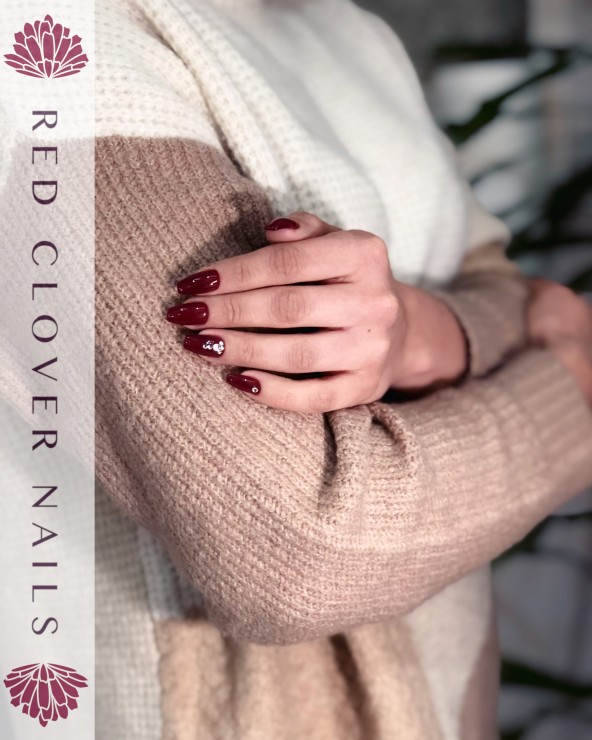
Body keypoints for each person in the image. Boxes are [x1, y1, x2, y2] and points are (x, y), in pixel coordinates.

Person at [94, 0, 592, 737]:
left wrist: (418, 332)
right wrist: (571, 393)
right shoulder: (60, 55)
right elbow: (294, 554)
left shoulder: (354, 33)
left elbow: (512, 292)